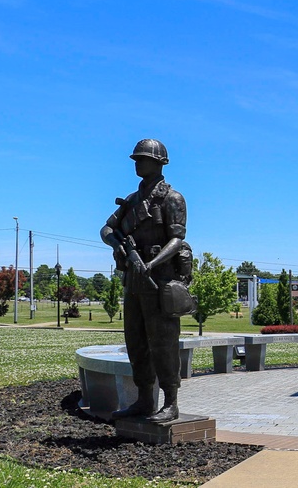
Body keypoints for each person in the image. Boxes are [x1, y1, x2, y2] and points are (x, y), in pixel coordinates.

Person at [101, 139, 192, 423]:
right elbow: (106, 228)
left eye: (142, 159)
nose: (137, 164)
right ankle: (144, 400)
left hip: (160, 280)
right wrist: (117, 246)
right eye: (136, 159)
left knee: (163, 342)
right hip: (134, 281)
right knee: (136, 341)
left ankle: (171, 403)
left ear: (158, 162)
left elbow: (178, 238)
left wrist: (152, 263)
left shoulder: (172, 198)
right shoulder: (131, 200)